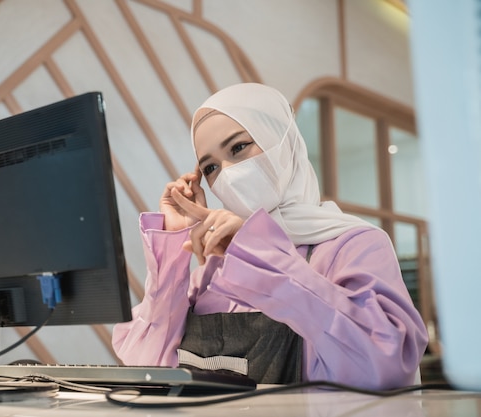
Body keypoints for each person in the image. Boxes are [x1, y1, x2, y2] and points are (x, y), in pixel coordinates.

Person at [112, 83, 428, 389]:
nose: (227, 173)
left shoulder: (353, 244)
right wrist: (173, 253)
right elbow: (147, 367)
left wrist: (261, 253)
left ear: (283, 142)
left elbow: (386, 366)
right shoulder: (211, 271)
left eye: (238, 148)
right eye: (210, 168)